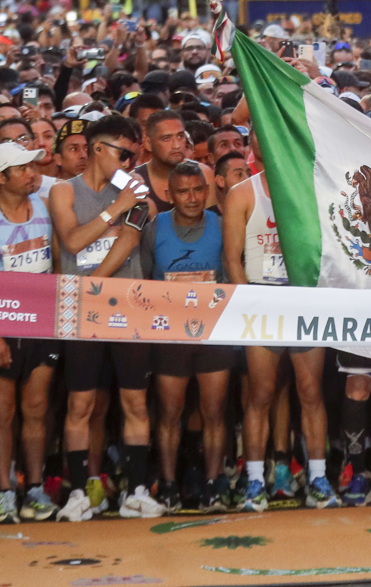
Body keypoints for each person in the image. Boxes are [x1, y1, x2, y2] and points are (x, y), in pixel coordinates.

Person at [48, 115, 165, 521]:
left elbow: (129, 240)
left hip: (127, 307)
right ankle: (78, 494)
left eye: (134, 155)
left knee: (135, 402)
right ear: (97, 149)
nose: (131, 162)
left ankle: (136, 492)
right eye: (124, 153)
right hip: (81, 313)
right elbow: (72, 240)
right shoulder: (63, 190)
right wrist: (117, 207)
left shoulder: (136, 191)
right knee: (80, 403)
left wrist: (92, 284)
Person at [223, 132, 339, 511]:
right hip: (262, 299)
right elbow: (232, 259)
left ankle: (318, 478)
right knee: (260, 394)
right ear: (252, 145)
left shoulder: (312, 189)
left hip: (304, 300)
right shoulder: (242, 194)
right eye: (260, 134)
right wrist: (248, 304)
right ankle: (255, 481)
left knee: (310, 391)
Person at [134, 161, 234, 512]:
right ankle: (168, 484)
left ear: (207, 191)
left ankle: (213, 484)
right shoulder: (154, 228)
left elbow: (232, 274)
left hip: (214, 333)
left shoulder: (222, 225)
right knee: (170, 413)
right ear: (169, 194)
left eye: (197, 190)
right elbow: (143, 281)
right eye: (183, 192)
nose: (192, 198)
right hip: (169, 335)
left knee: (214, 411)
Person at [0, 141, 61, 525]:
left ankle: (35, 489)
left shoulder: (46, 207)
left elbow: (57, 264)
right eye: (22, 168)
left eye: (31, 167)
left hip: (42, 324)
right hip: (2, 324)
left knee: (36, 409)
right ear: (1, 177)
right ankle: (6, 492)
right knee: (2, 413)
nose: (31, 173)